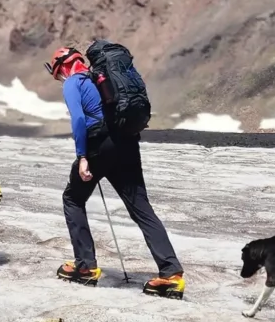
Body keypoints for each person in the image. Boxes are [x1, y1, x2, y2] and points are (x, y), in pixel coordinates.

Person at [44, 46, 186, 298]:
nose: (60, 80)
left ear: (63, 67)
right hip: (126, 143)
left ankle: (85, 267)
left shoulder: (74, 82)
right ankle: (171, 273)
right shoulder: (101, 80)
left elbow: (78, 119)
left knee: (73, 199)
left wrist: (82, 157)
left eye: (57, 74)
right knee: (141, 207)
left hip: (100, 146)